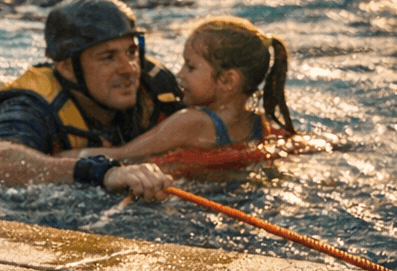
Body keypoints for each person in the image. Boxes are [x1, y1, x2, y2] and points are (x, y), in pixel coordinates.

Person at [0, 0, 182, 199]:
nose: (129, 68)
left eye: (131, 52)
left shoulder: (156, 87)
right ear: (68, 68)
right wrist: (102, 173)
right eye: (108, 57)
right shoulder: (31, 107)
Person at [65, 16, 295, 163]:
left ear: (227, 80)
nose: (180, 74)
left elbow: (124, 155)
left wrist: (64, 161)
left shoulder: (192, 122)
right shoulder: (258, 122)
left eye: (190, 66)